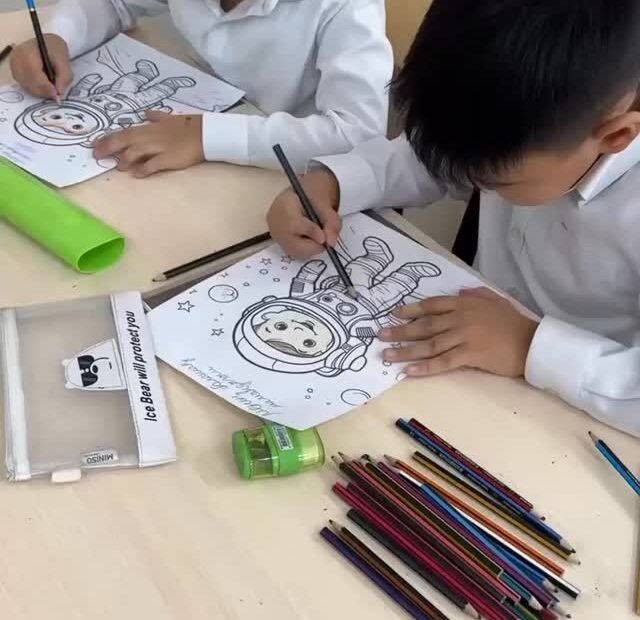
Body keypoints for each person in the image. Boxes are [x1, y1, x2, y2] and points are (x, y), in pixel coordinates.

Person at [267, 0, 640, 436]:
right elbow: (433, 159)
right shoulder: (527, 130)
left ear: (616, 136)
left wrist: (528, 345)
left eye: (494, 182)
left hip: (577, 424)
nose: (471, 183)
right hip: (459, 373)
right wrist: (333, 183)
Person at [10, 0, 392, 175]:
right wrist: (58, 37)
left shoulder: (345, 7)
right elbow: (114, 3)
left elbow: (357, 133)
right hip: (189, 129)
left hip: (280, 174)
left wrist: (206, 137)